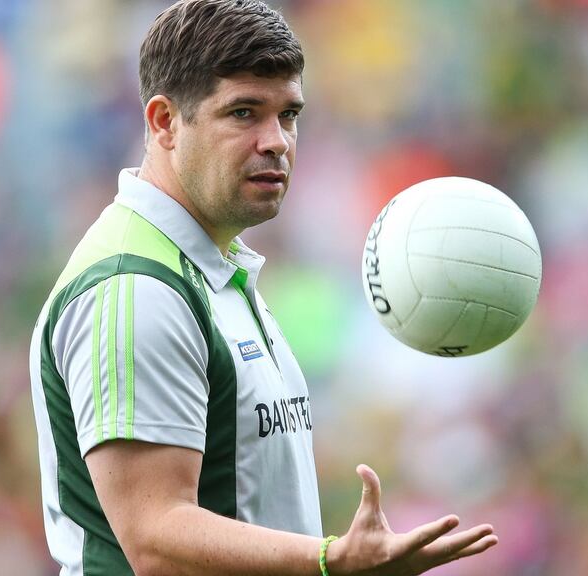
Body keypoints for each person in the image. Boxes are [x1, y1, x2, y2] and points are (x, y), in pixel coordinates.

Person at [28, 1, 499, 574]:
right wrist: (330, 561)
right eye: (244, 112)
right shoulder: (136, 290)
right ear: (164, 123)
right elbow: (155, 539)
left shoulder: (213, 266)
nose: (276, 140)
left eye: (289, 115)